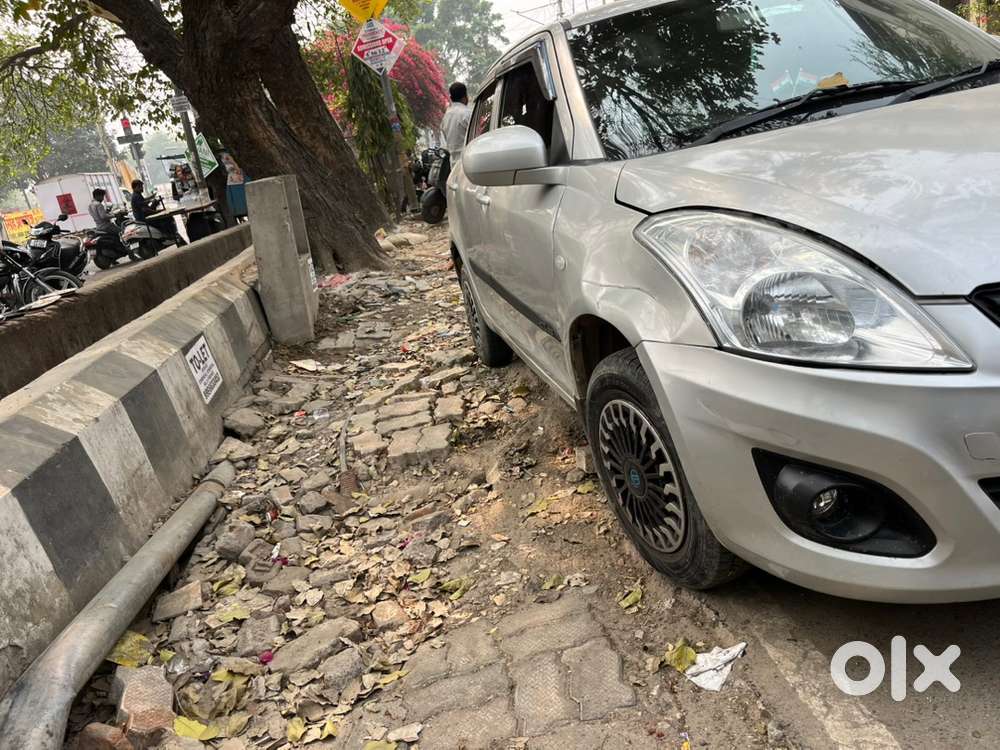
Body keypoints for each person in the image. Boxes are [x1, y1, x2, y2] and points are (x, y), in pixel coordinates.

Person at [440, 82, 473, 161]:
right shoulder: (467, 114)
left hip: (453, 164)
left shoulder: (445, 117)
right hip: (469, 161)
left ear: (451, 98)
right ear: (465, 97)